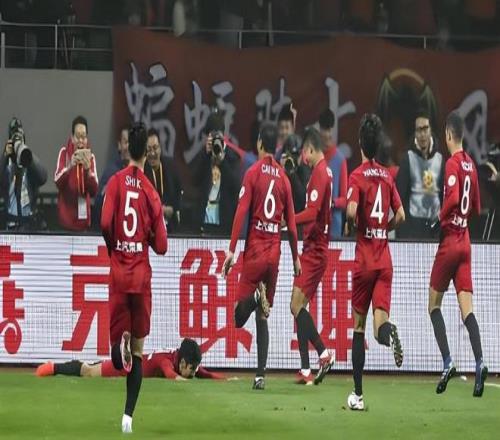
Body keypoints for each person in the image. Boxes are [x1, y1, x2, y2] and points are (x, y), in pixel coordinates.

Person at [222, 122, 300, 391]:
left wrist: (232, 250)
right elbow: (292, 225)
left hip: (255, 252)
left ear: (258, 143)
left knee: (238, 317)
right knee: (262, 318)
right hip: (274, 255)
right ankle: (260, 375)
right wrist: (296, 259)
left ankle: (257, 297)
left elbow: (241, 212)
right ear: (275, 146)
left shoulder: (253, 173)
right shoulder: (284, 180)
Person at [100, 123, 167, 434]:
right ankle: (127, 417)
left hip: (119, 273)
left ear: (128, 148)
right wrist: (147, 236)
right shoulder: (151, 192)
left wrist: (114, 247)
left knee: (117, 355)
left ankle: (120, 344)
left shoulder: (115, 182)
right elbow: (162, 246)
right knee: (138, 353)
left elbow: (104, 222)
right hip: (140, 277)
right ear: (146, 153)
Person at [345, 113, 405, 411]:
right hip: (384, 262)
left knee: (358, 327)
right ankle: (389, 332)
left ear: (360, 143)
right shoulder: (387, 176)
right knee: (379, 325)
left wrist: (354, 223)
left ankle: (357, 395)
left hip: (365, 262)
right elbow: (401, 216)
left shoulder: (357, 176)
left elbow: (351, 210)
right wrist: (383, 229)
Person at [428, 111, 487, 397]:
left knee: (433, 306)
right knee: (468, 311)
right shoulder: (471, 165)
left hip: (450, 242)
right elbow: (476, 208)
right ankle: (480, 361)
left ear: (449, 135)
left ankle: (448, 362)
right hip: (466, 242)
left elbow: (452, 197)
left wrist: (439, 218)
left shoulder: (452, 164)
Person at [290, 127, 335, 386]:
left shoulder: (319, 172)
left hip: (315, 250)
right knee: (300, 308)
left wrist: (289, 220)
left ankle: (324, 353)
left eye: (304, 153)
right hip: (315, 248)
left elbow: (312, 212)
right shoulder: (324, 171)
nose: (303, 159)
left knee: (295, 307)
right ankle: (306, 370)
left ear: (310, 148)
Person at [36, 338, 225, 381]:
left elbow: (204, 373)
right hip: (127, 368)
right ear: (183, 363)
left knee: (91, 368)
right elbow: (170, 375)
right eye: (191, 370)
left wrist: (225, 380)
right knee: (88, 371)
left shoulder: (183, 360)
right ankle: (54, 367)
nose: (193, 374)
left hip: (133, 366)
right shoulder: (166, 361)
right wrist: (183, 380)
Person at [192, 112, 241, 235]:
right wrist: (206, 155)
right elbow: (194, 181)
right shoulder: (203, 154)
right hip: (204, 220)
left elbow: (236, 186)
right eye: (212, 136)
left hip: (224, 221)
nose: (215, 140)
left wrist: (222, 161)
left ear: (223, 135)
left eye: (217, 136)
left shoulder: (232, 157)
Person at [396, 113, 444, 238]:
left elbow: (444, 196)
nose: (422, 134)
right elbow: (399, 197)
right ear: (415, 133)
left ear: (431, 130)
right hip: (412, 229)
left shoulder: (440, 159)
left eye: (425, 129)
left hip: (436, 229)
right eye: (419, 130)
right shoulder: (407, 159)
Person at [0, 117, 47, 230]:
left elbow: (43, 177)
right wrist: (5, 156)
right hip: (11, 224)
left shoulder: (30, 165)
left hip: (29, 225)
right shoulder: (6, 167)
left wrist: (27, 154)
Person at [54, 116, 98, 231]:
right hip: (65, 222)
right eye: (78, 136)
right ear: (72, 138)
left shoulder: (91, 157)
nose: (81, 141)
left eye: (83, 137)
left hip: (83, 223)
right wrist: (70, 166)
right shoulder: (64, 153)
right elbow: (57, 182)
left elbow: (94, 191)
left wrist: (88, 171)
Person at [144, 128, 182, 233]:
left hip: (171, 227)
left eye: (155, 148)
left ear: (160, 148)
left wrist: (173, 209)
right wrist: (160, 210)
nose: (152, 153)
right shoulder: (142, 172)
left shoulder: (171, 167)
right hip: (149, 229)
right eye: (149, 149)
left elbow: (179, 193)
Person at [93, 126, 130, 229]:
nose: (129, 146)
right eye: (126, 142)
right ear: (119, 145)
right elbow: (99, 205)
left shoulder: (140, 173)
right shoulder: (111, 173)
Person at [320, 108, 348, 239]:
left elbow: (345, 200)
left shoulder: (340, 160)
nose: (328, 134)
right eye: (325, 130)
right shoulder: (313, 157)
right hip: (314, 227)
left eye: (330, 130)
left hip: (334, 229)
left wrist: (332, 203)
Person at [280, 134, 310, 213]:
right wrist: (281, 169)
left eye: (296, 155)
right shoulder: (278, 168)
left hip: (298, 216)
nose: (293, 158)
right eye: (291, 155)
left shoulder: (305, 170)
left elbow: (303, 199)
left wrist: (292, 173)